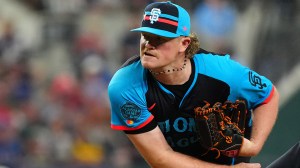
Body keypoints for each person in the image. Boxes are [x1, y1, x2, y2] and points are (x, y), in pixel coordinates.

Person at [108, 1, 279, 167]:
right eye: (145, 36)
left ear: (184, 43)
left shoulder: (223, 73)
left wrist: (254, 146)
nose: (148, 44)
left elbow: (268, 96)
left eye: (158, 38)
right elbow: (160, 158)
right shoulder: (125, 85)